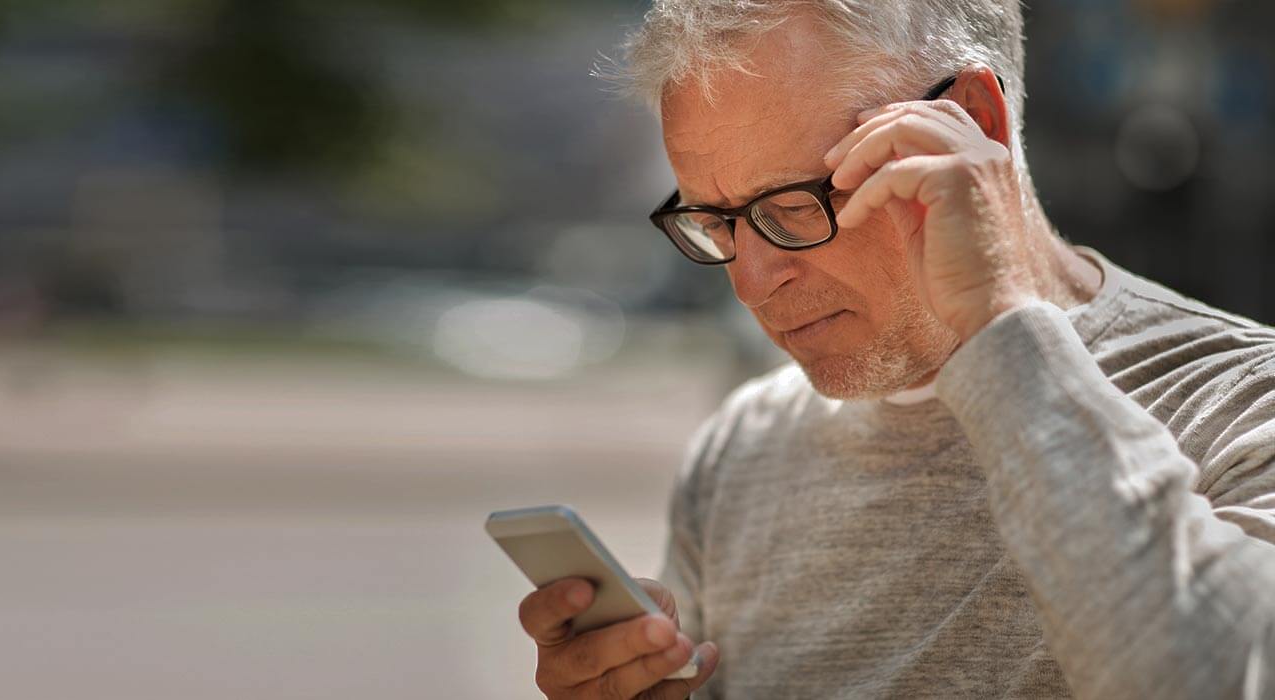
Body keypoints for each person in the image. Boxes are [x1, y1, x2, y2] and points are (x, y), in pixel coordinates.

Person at [512, 2, 1275, 698]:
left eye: (789, 205)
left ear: (972, 124)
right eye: (716, 221)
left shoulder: (1241, 400)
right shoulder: (745, 445)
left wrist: (998, 318)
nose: (751, 281)